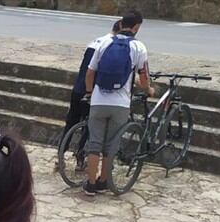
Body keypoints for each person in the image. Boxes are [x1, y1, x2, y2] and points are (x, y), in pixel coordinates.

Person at [83, 10, 153, 195]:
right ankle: (103, 182)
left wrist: (90, 92)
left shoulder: (104, 43)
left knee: (94, 144)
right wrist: (148, 90)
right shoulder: (138, 47)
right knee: (110, 145)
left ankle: (90, 184)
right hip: (120, 103)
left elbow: (90, 73)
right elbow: (143, 77)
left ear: (121, 24)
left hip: (98, 100)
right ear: (137, 27)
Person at [61, 20, 122, 140]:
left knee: (71, 121)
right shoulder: (111, 46)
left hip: (78, 87)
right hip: (92, 90)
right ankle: (81, 155)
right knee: (89, 126)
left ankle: (62, 149)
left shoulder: (95, 41)